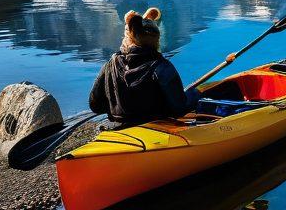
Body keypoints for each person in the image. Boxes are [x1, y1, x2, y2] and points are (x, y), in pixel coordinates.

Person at [88, 7, 235, 128]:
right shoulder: (161, 67)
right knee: (229, 88)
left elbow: (95, 106)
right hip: (156, 128)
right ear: (157, 40)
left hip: (119, 126)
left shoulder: (110, 64)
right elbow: (179, 108)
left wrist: (120, 103)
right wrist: (195, 94)